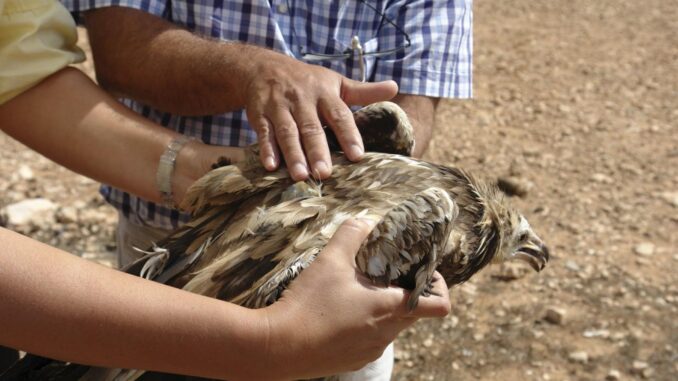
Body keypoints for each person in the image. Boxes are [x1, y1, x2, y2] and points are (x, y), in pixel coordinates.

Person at [0, 1, 451, 379]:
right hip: (174, 256)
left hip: (327, 280)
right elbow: (110, 51)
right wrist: (266, 340)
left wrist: (209, 176)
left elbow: (20, 67)